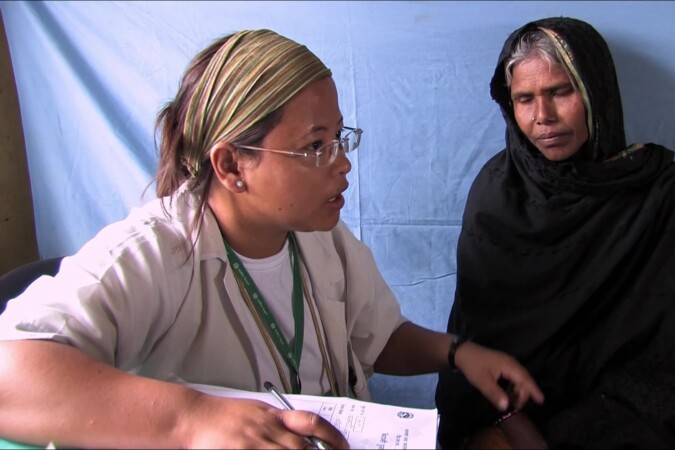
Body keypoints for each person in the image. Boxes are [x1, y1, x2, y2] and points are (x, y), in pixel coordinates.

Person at [0, 29, 543, 449]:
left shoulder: (318, 236)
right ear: (234, 165)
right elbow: (11, 374)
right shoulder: (156, 250)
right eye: (314, 146)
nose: (343, 164)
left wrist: (457, 353)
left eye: (339, 137)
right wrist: (191, 420)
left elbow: (375, 337)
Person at [435, 17, 675, 449]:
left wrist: (573, 435)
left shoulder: (647, 198)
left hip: (622, 419)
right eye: (524, 99)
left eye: (560, 92)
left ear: (596, 91)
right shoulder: (497, 195)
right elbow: (478, 347)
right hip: (510, 415)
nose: (543, 117)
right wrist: (518, 427)